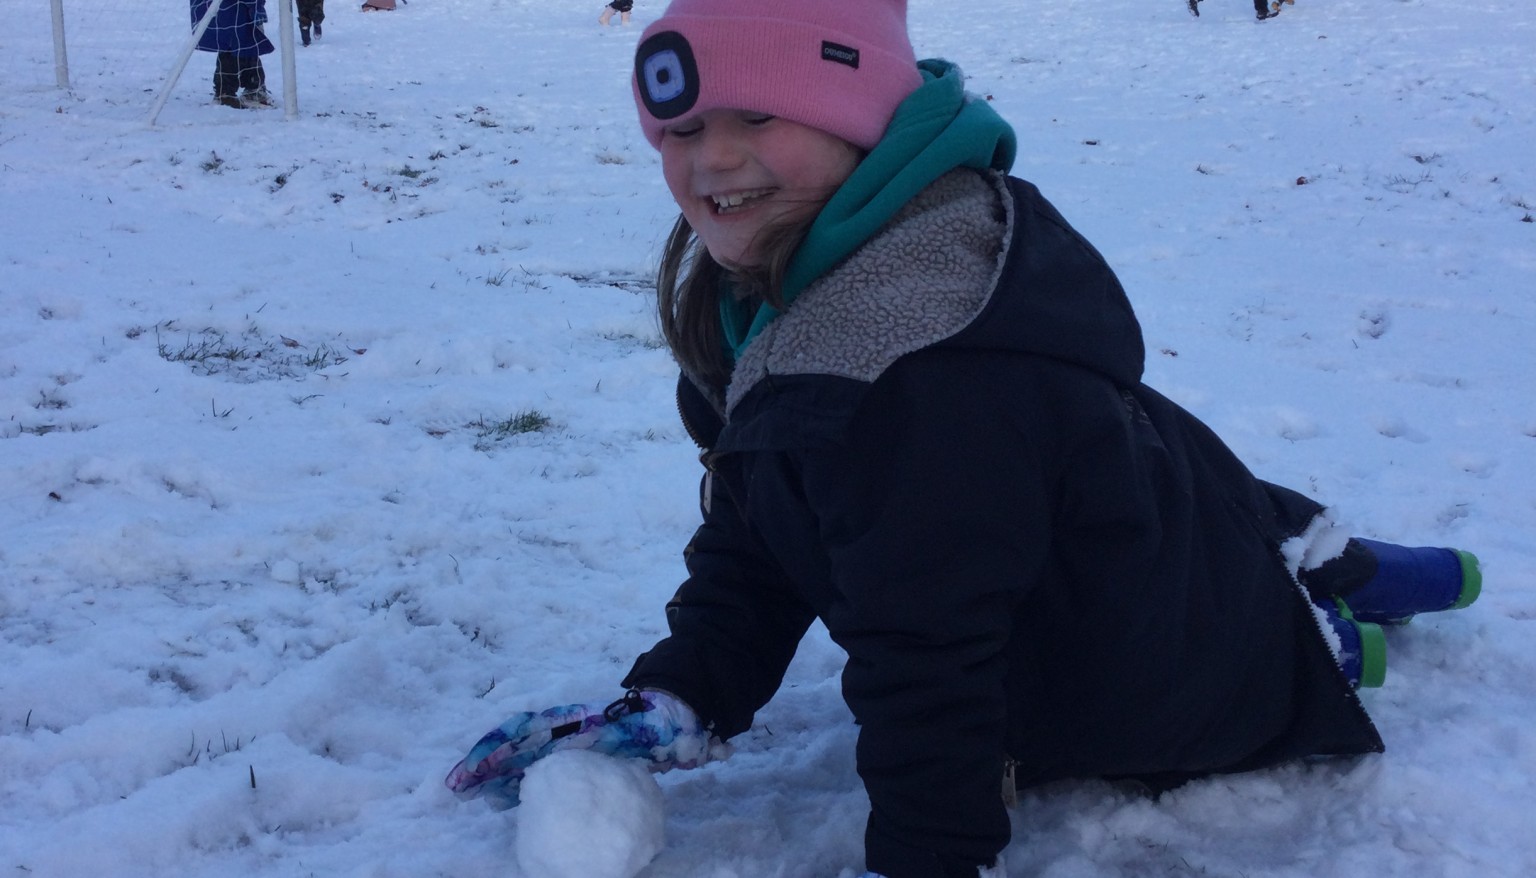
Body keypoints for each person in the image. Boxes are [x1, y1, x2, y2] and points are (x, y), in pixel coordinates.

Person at [444, 1, 1483, 875]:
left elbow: (931, 663)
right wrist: (683, 689)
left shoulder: (916, 373)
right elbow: (768, 529)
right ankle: (1326, 567)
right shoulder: (781, 297)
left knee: (1272, 635)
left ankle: (1326, 626)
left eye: (757, 114)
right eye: (680, 130)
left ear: (854, 111)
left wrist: (925, 857)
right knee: (1218, 531)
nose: (711, 159)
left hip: (1156, 660)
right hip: (1138, 526)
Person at [191, 0, 274, 108]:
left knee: (234, 40)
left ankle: (229, 91)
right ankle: (248, 89)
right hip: (234, 10)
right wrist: (257, 7)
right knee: (243, 39)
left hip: (219, 10)